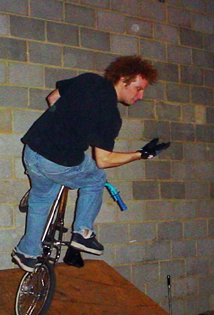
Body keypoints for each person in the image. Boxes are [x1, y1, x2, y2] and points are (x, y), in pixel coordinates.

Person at [12, 55, 170, 272]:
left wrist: (66, 123)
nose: (140, 96)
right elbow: (103, 160)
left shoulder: (88, 80)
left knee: (41, 199)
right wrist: (140, 154)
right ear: (123, 79)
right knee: (95, 178)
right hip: (58, 161)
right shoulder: (111, 116)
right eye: (138, 88)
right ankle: (83, 233)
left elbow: (52, 98)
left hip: (32, 152)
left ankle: (27, 252)